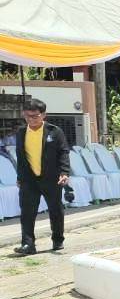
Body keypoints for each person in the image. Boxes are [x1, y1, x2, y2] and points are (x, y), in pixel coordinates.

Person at [13, 97, 71, 255]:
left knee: (55, 209)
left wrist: (64, 172)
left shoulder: (54, 131)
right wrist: (19, 177)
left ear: (43, 115)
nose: (31, 119)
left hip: (51, 178)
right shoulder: (21, 132)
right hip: (29, 180)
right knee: (27, 212)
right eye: (27, 116)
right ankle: (28, 244)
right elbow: (20, 157)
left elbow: (64, 152)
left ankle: (58, 239)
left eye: (35, 116)